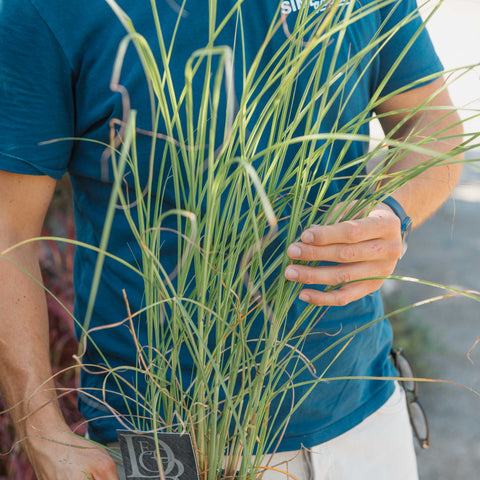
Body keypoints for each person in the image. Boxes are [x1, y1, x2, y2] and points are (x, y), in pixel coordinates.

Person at [0, 0, 463, 479]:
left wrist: (392, 213)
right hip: (167, 443)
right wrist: (41, 432)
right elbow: (7, 228)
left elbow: (433, 128)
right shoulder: (51, 9)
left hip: (363, 421)